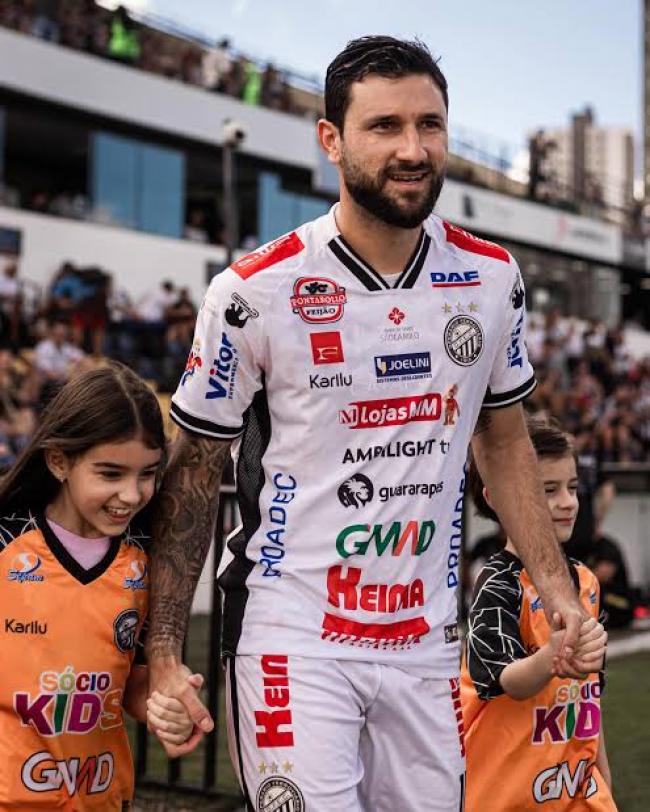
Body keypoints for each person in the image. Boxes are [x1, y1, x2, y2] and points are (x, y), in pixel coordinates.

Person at [147, 36, 589, 810]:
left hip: (425, 641)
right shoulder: (253, 291)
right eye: (385, 126)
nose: (413, 149)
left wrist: (557, 588)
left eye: (430, 125)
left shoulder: (491, 279)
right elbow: (193, 473)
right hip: (292, 634)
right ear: (331, 140)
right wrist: (161, 653)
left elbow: (503, 437)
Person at [0, 363, 197, 809]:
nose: (132, 494)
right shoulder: (7, 543)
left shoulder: (146, 559)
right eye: (110, 474)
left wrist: (164, 706)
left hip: (103, 798)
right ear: (59, 461)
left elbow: (132, 681)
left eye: (147, 474)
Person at [461, 418, 614, 810]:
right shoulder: (497, 583)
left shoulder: (586, 582)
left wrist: (604, 781)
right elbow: (507, 681)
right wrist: (552, 657)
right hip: (508, 797)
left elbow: (590, 699)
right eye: (548, 490)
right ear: (497, 497)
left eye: (572, 487)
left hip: (579, 793)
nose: (568, 502)